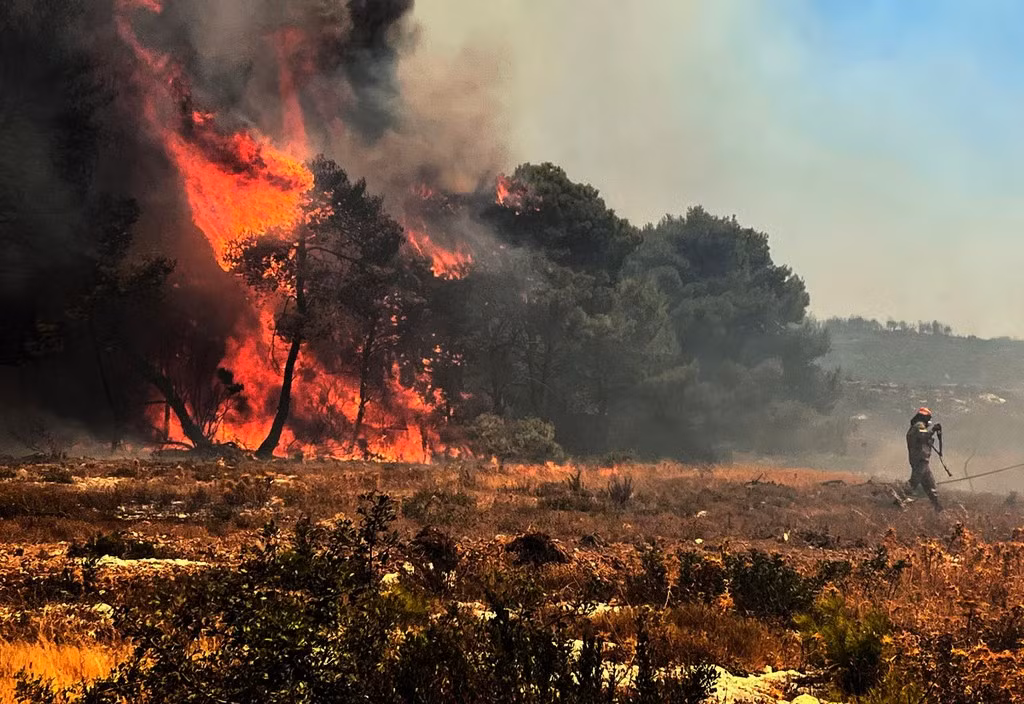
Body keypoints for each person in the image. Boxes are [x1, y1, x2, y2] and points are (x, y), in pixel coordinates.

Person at [906, 407, 943, 512]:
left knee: (931, 485)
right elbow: (923, 435)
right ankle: (900, 498)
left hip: (923, 461)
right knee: (914, 481)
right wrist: (933, 430)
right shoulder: (919, 426)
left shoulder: (916, 427)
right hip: (920, 460)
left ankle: (937, 507)